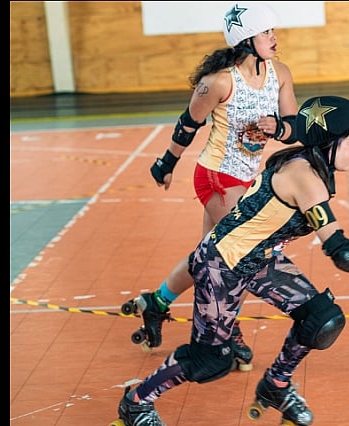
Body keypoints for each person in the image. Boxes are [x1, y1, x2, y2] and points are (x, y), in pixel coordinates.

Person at [110, 95, 349, 426]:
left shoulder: (307, 164)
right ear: (329, 142)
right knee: (210, 359)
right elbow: (342, 253)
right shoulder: (303, 176)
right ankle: (137, 400)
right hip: (223, 265)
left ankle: (275, 384)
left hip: (259, 259)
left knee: (321, 318)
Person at [122, 2, 299, 371]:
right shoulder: (219, 81)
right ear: (246, 39)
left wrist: (278, 129)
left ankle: (156, 302)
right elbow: (188, 124)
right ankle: (225, 331)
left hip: (250, 178)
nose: (274, 37)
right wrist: (166, 163)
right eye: (266, 32)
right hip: (217, 176)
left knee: (207, 256)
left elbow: (293, 124)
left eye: (272, 32)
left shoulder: (279, 73)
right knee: (237, 255)